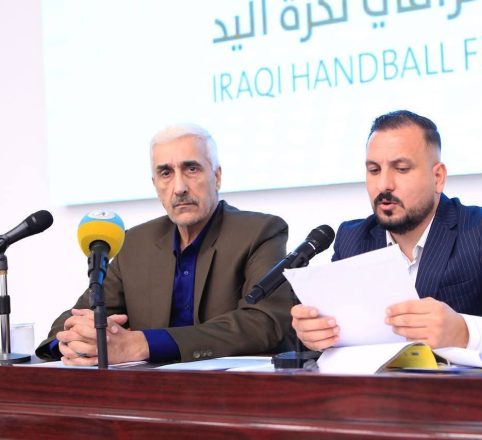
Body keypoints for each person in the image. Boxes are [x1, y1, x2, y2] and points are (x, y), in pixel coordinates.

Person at [291, 110, 482, 360]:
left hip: (463, 394)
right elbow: (343, 337)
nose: (384, 184)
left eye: (401, 169)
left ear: (438, 177)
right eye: (374, 170)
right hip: (374, 394)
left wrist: (464, 331)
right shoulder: (353, 239)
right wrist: (317, 335)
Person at [36, 124, 292, 365]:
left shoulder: (260, 232)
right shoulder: (134, 244)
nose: (179, 188)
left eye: (191, 169)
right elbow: (69, 322)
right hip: (149, 391)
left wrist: (142, 344)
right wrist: (73, 343)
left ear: (217, 176)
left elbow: (263, 322)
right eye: (166, 173)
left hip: (233, 389)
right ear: (155, 185)